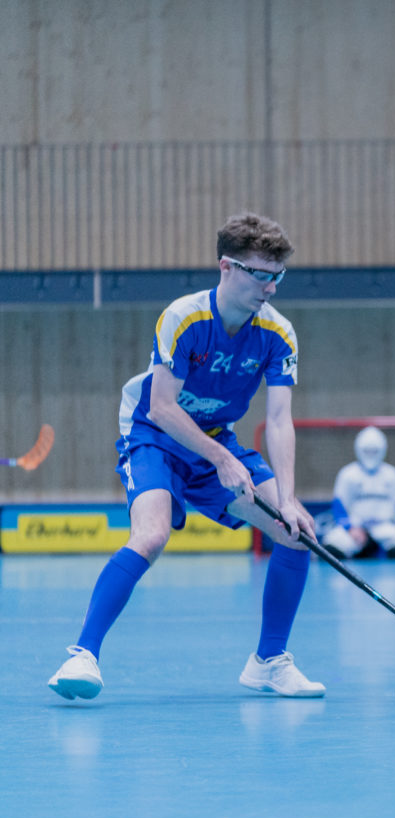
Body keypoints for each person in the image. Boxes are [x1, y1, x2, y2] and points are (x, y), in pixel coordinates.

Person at [48, 212, 325, 701]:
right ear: (227, 267)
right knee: (151, 535)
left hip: (215, 437)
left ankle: (269, 661)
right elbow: (161, 405)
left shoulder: (278, 334)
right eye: (260, 274)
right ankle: (82, 656)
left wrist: (287, 497)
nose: (270, 287)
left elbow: (280, 420)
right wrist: (220, 457)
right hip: (153, 435)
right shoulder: (185, 317)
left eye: (277, 276)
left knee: (295, 532)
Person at [321, 426, 395, 560]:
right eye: (367, 451)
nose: (371, 455)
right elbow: (339, 506)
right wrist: (350, 528)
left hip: (384, 528)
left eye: (374, 451)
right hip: (354, 528)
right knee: (331, 549)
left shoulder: (392, 474)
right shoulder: (347, 474)